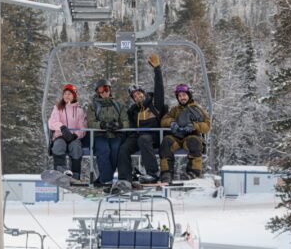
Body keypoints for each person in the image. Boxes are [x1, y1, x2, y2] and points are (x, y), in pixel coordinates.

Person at [116, 53, 166, 189]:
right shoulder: (133, 111)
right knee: (124, 148)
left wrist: (157, 69)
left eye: (139, 93)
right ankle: (125, 178)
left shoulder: (154, 104)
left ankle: (152, 173)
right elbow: (128, 125)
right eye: (135, 95)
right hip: (137, 136)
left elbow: (159, 89)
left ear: (143, 94)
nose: (137, 96)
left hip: (153, 136)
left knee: (144, 139)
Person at [159, 84, 211, 184]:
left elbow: (207, 126)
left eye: (184, 95)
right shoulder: (175, 110)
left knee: (194, 142)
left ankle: (193, 172)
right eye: (179, 96)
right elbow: (163, 120)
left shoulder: (197, 109)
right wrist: (171, 122)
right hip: (177, 137)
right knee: (166, 142)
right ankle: (166, 173)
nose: (182, 98)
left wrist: (195, 126)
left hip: (192, 136)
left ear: (189, 95)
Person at [87, 79, 128, 186]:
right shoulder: (93, 106)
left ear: (110, 90)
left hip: (115, 134)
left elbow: (126, 121)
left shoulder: (118, 105)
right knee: (104, 150)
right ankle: (106, 180)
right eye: (101, 90)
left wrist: (119, 125)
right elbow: (90, 122)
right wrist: (102, 125)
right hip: (100, 135)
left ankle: (104, 178)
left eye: (107, 89)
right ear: (97, 92)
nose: (104, 92)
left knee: (115, 150)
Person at [48, 84, 88, 180]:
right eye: (65, 94)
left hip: (73, 137)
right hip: (60, 135)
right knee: (58, 146)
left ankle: (75, 174)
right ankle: (61, 171)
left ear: (74, 95)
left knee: (76, 148)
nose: (67, 96)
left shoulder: (79, 110)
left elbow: (82, 127)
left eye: (69, 94)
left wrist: (75, 135)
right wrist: (62, 127)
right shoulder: (58, 107)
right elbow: (52, 122)